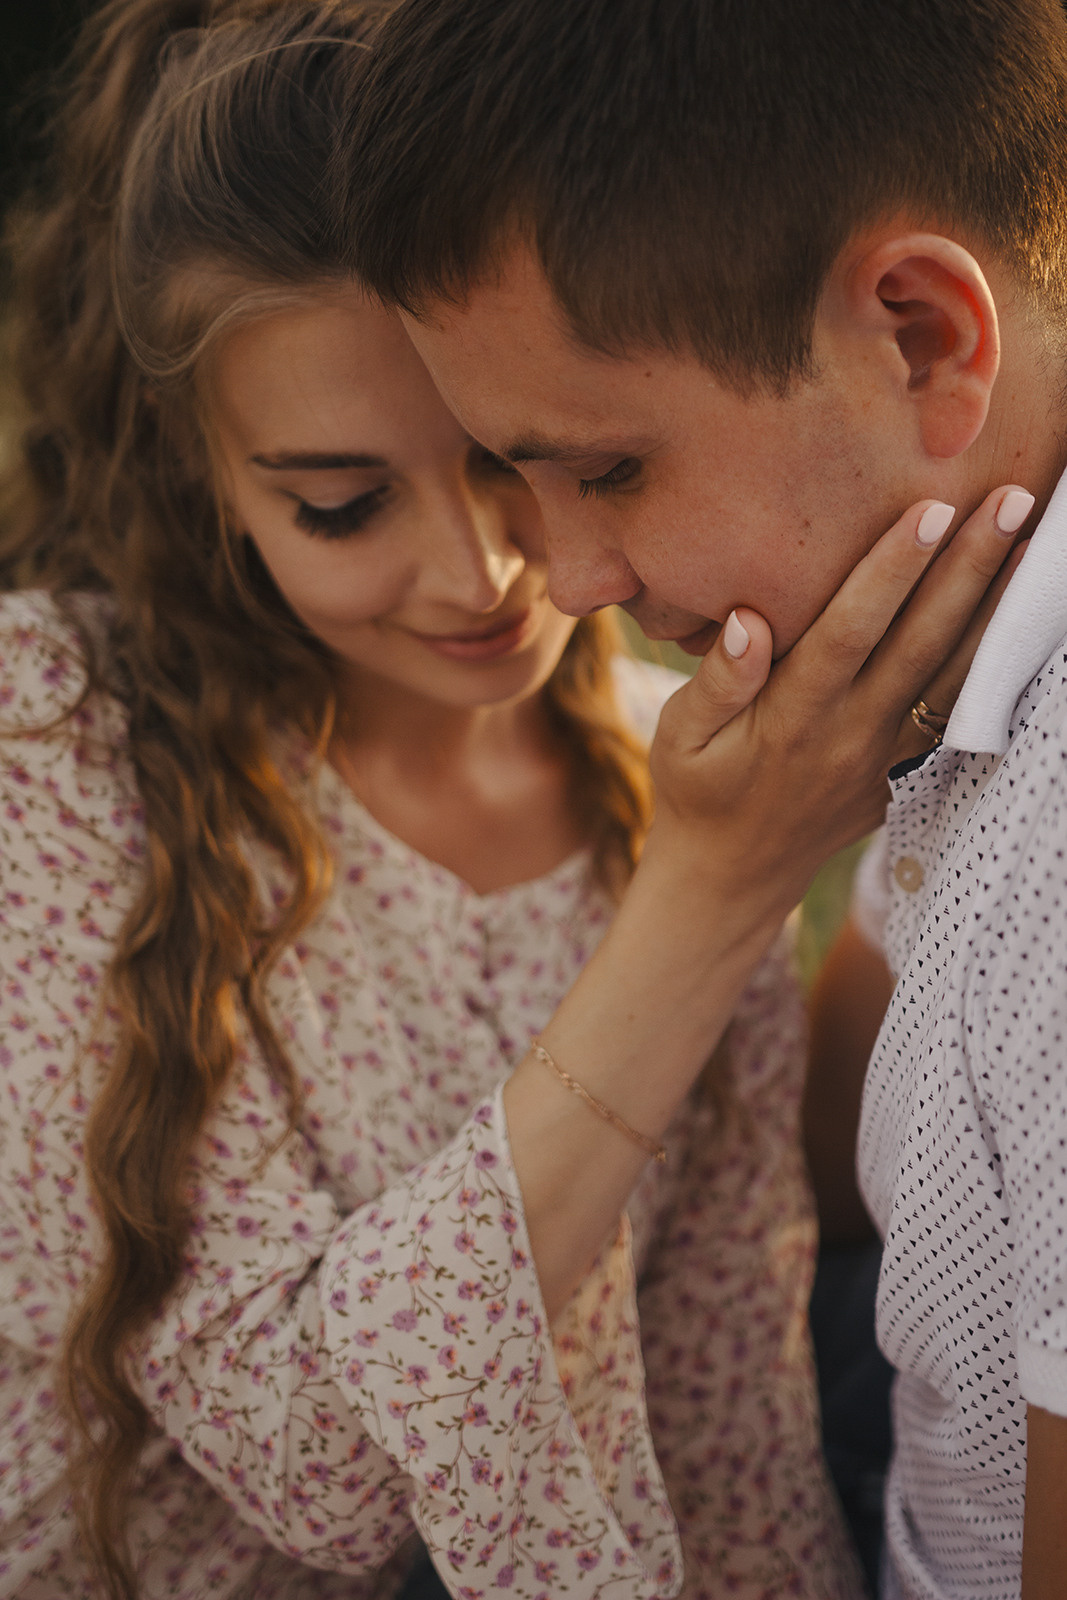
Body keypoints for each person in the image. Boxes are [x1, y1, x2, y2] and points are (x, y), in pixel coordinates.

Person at [0, 3, 1022, 1599]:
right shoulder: (47, 740)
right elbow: (315, 1471)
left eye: (521, 465)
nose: (487, 572)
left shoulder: (660, 758)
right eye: (344, 504)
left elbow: (724, 1415)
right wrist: (707, 899)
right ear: (207, 468)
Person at [331, 2, 1067, 1597]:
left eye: (607, 472)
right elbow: (878, 1122)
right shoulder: (958, 629)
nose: (570, 579)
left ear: (924, 339)